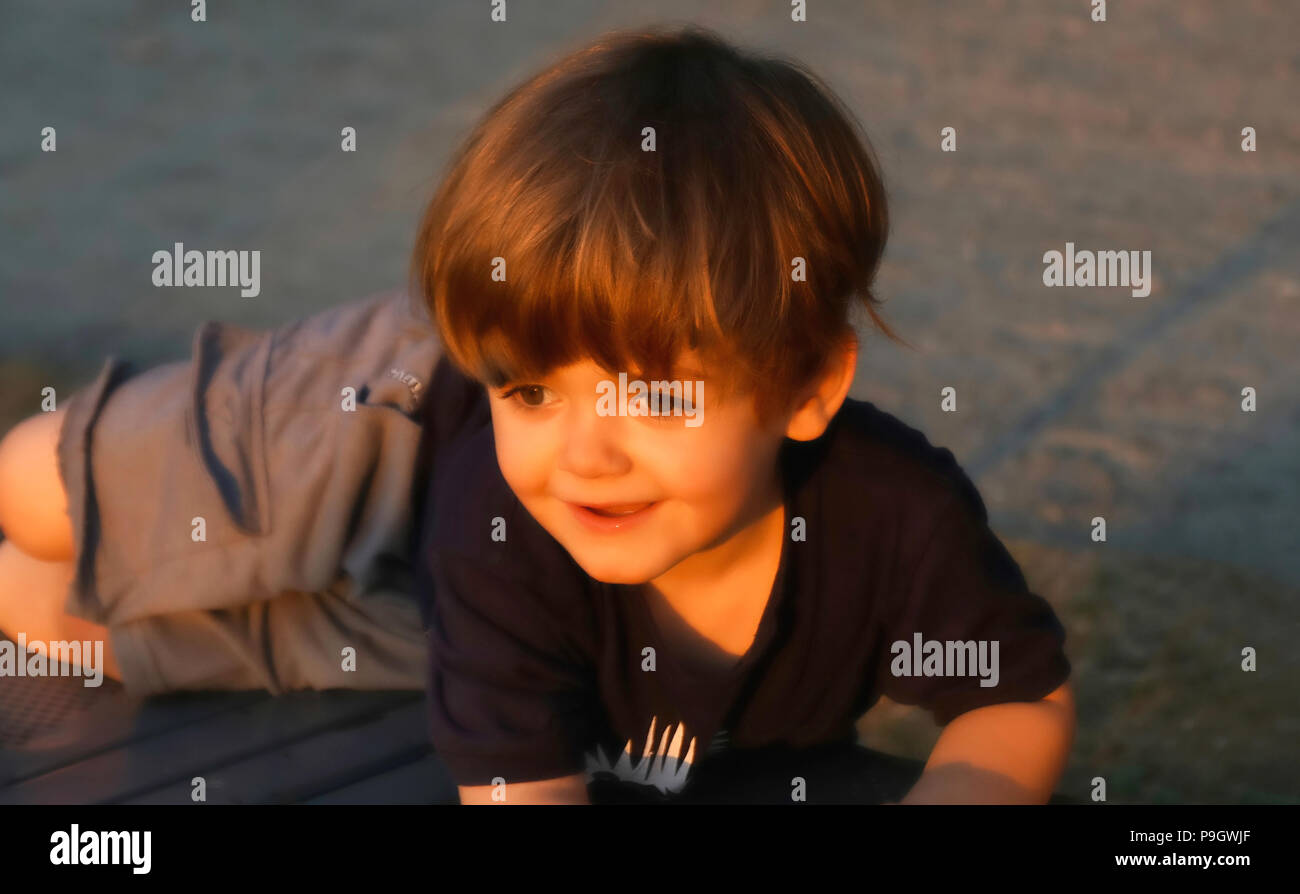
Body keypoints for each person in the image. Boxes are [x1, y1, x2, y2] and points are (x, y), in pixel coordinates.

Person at [0, 25, 1074, 803]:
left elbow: (1015, 698)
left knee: (43, 613)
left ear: (808, 391)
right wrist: (510, 387)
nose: (584, 453)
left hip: (439, 602)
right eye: (539, 396)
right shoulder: (512, 509)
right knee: (37, 493)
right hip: (398, 415)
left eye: (654, 395)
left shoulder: (896, 518)